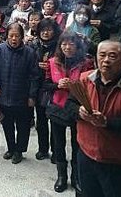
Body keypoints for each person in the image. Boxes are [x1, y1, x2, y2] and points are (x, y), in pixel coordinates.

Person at [66, 40, 121, 197]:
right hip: (86, 154)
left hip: (117, 160)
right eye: (102, 55)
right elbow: (69, 105)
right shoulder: (84, 80)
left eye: (112, 56)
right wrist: (79, 112)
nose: (106, 60)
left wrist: (107, 122)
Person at [44, 32, 94, 193]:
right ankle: (62, 176)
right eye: (63, 44)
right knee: (59, 144)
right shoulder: (52, 62)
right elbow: (45, 85)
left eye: (71, 44)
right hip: (57, 106)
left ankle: (76, 176)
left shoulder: (86, 63)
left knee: (76, 143)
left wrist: (74, 85)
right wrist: (57, 85)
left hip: (77, 108)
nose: (67, 47)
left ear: (77, 46)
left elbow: (92, 86)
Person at [0, 23, 40, 164]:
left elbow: (35, 76)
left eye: (17, 36)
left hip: (22, 97)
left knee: (23, 126)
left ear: (22, 37)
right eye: (11, 36)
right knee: (7, 124)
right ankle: (11, 148)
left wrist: (32, 96)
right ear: (6, 36)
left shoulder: (29, 52)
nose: (14, 39)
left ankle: (19, 150)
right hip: (3, 95)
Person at [30, 18, 63, 162]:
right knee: (41, 120)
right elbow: (28, 64)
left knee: (55, 121)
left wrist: (51, 67)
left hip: (56, 88)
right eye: (43, 30)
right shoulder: (33, 45)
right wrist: (37, 65)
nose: (46, 33)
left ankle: (56, 151)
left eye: (49, 30)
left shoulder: (60, 47)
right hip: (38, 86)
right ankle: (43, 149)